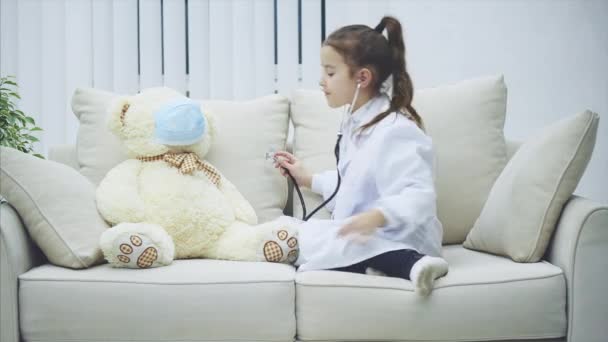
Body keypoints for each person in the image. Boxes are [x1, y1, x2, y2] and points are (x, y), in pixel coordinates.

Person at [274, 16, 448, 296]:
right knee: (296, 230)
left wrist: (378, 216)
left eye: (330, 73)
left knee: (319, 242)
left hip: (397, 237)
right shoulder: (358, 125)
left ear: (362, 78)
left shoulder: (396, 131)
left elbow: (420, 196)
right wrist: (308, 179)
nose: (322, 81)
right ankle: (387, 266)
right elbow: (354, 183)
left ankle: (415, 265)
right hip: (369, 235)